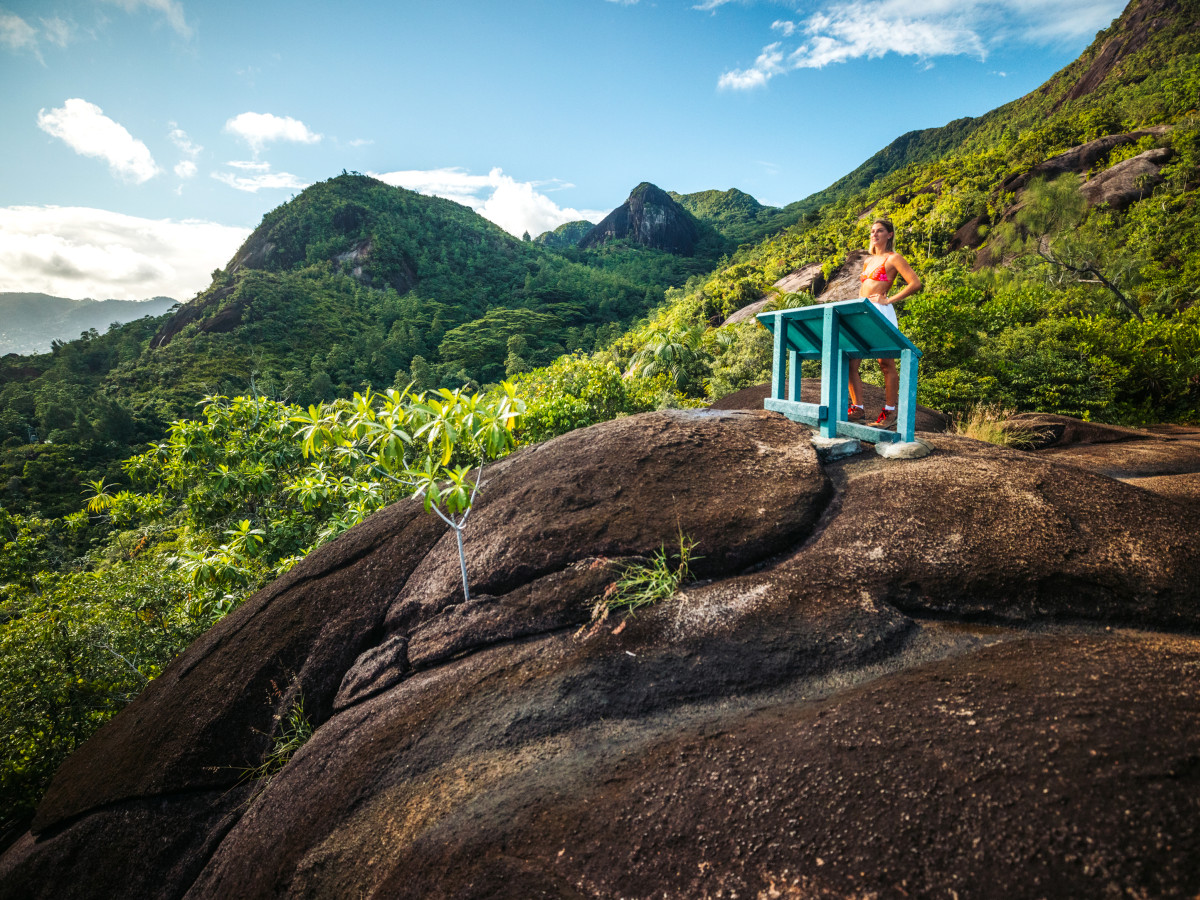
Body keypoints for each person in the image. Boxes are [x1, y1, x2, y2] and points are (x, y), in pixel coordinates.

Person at [847, 218, 921, 429]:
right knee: (851, 362)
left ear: (889, 234)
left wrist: (889, 299)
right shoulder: (868, 261)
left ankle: (889, 413)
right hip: (862, 311)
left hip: (881, 311)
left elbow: (915, 284)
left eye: (879, 231)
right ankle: (858, 409)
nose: (874, 234)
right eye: (872, 231)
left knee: (886, 363)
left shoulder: (894, 258)